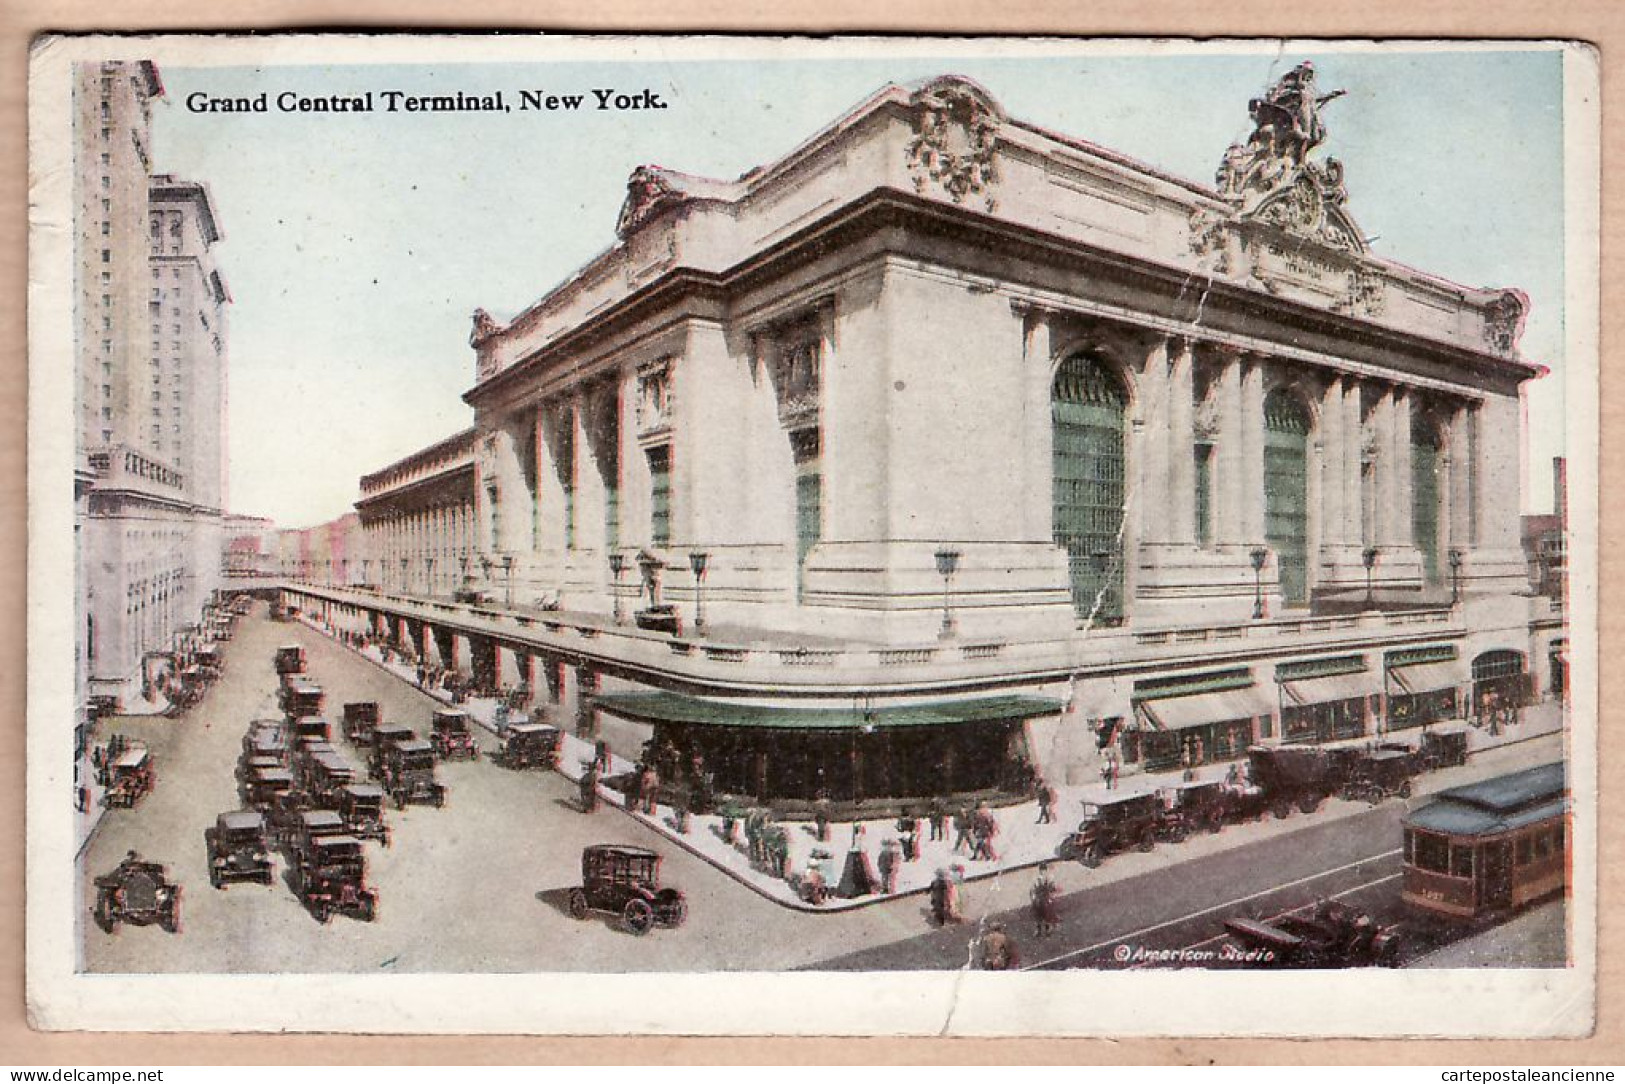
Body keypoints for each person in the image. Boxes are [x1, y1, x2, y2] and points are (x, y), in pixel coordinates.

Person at [1031, 863, 1061, 938]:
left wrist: (1052, 893)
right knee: (1038, 915)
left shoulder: (1048, 878)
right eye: (1042, 870)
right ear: (1041, 870)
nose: (1043, 871)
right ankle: (1039, 930)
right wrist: (1034, 899)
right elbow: (1033, 890)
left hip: (1044, 898)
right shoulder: (1038, 879)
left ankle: (1046, 930)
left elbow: (1052, 888)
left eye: (1044, 870)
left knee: (1046, 915)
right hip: (1039, 899)